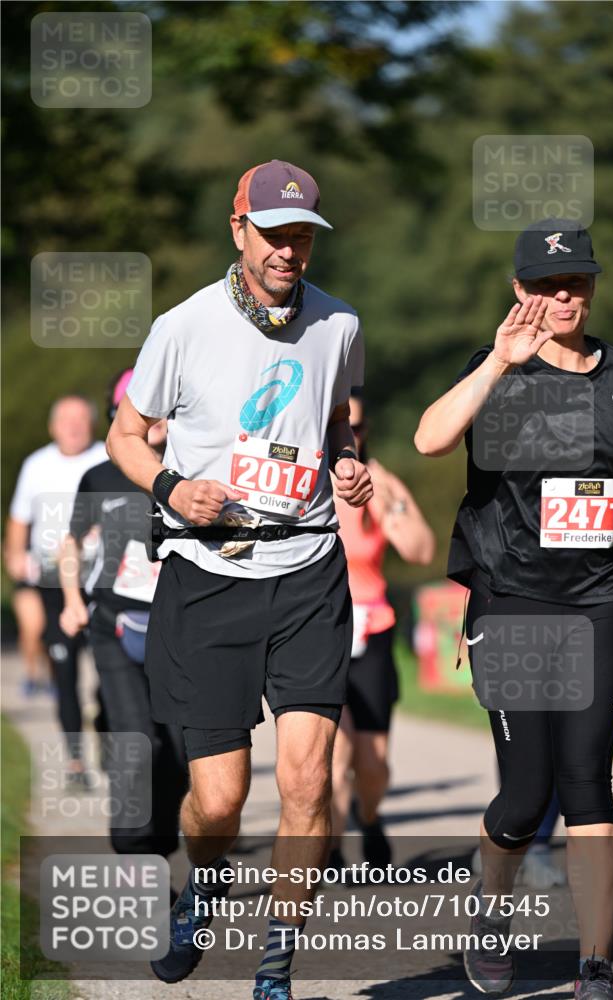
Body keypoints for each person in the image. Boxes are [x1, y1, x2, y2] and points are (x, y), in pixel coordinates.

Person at [106, 160, 371, 1000]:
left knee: (304, 781)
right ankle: (204, 880)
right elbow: (126, 435)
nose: (288, 250)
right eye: (272, 233)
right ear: (238, 230)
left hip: (307, 571)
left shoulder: (339, 325)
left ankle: (276, 966)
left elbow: (342, 419)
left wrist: (351, 466)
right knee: (217, 803)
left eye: (301, 234)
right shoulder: (181, 327)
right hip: (208, 572)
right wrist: (171, 487)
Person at [415, 218, 613, 999]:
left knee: (587, 780)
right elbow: (427, 439)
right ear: (520, 290)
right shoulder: (496, 371)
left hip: (599, 600)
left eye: (577, 282)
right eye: (548, 285)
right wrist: (497, 361)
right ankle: (491, 915)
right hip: (513, 600)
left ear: (591, 287)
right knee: (524, 797)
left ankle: (595, 965)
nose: (564, 296)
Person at [58, 369, 188, 864]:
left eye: (164, 411)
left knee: (178, 753)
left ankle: (161, 845)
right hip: (114, 624)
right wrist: (72, 600)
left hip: (175, 630)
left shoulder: (187, 470)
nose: (157, 420)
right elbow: (70, 543)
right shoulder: (99, 476)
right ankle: (134, 851)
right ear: (120, 416)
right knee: (139, 741)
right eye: (144, 411)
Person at [330, 389, 435, 870]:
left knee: (371, 766)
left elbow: (422, 551)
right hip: (319, 630)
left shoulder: (380, 483)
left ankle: (368, 816)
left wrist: (390, 507)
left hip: (372, 629)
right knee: (333, 757)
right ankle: (326, 846)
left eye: (358, 427)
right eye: (340, 425)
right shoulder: (303, 482)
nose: (349, 436)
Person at [5, 396, 108, 783]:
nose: (74, 427)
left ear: (92, 425)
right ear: (53, 427)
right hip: (50, 579)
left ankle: (108, 737)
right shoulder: (36, 464)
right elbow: (18, 520)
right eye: (66, 420)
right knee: (64, 673)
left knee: (108, 674)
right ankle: (76, 763)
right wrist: (15, 556)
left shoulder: (107, 458)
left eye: (81, 420)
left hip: (102, 578)